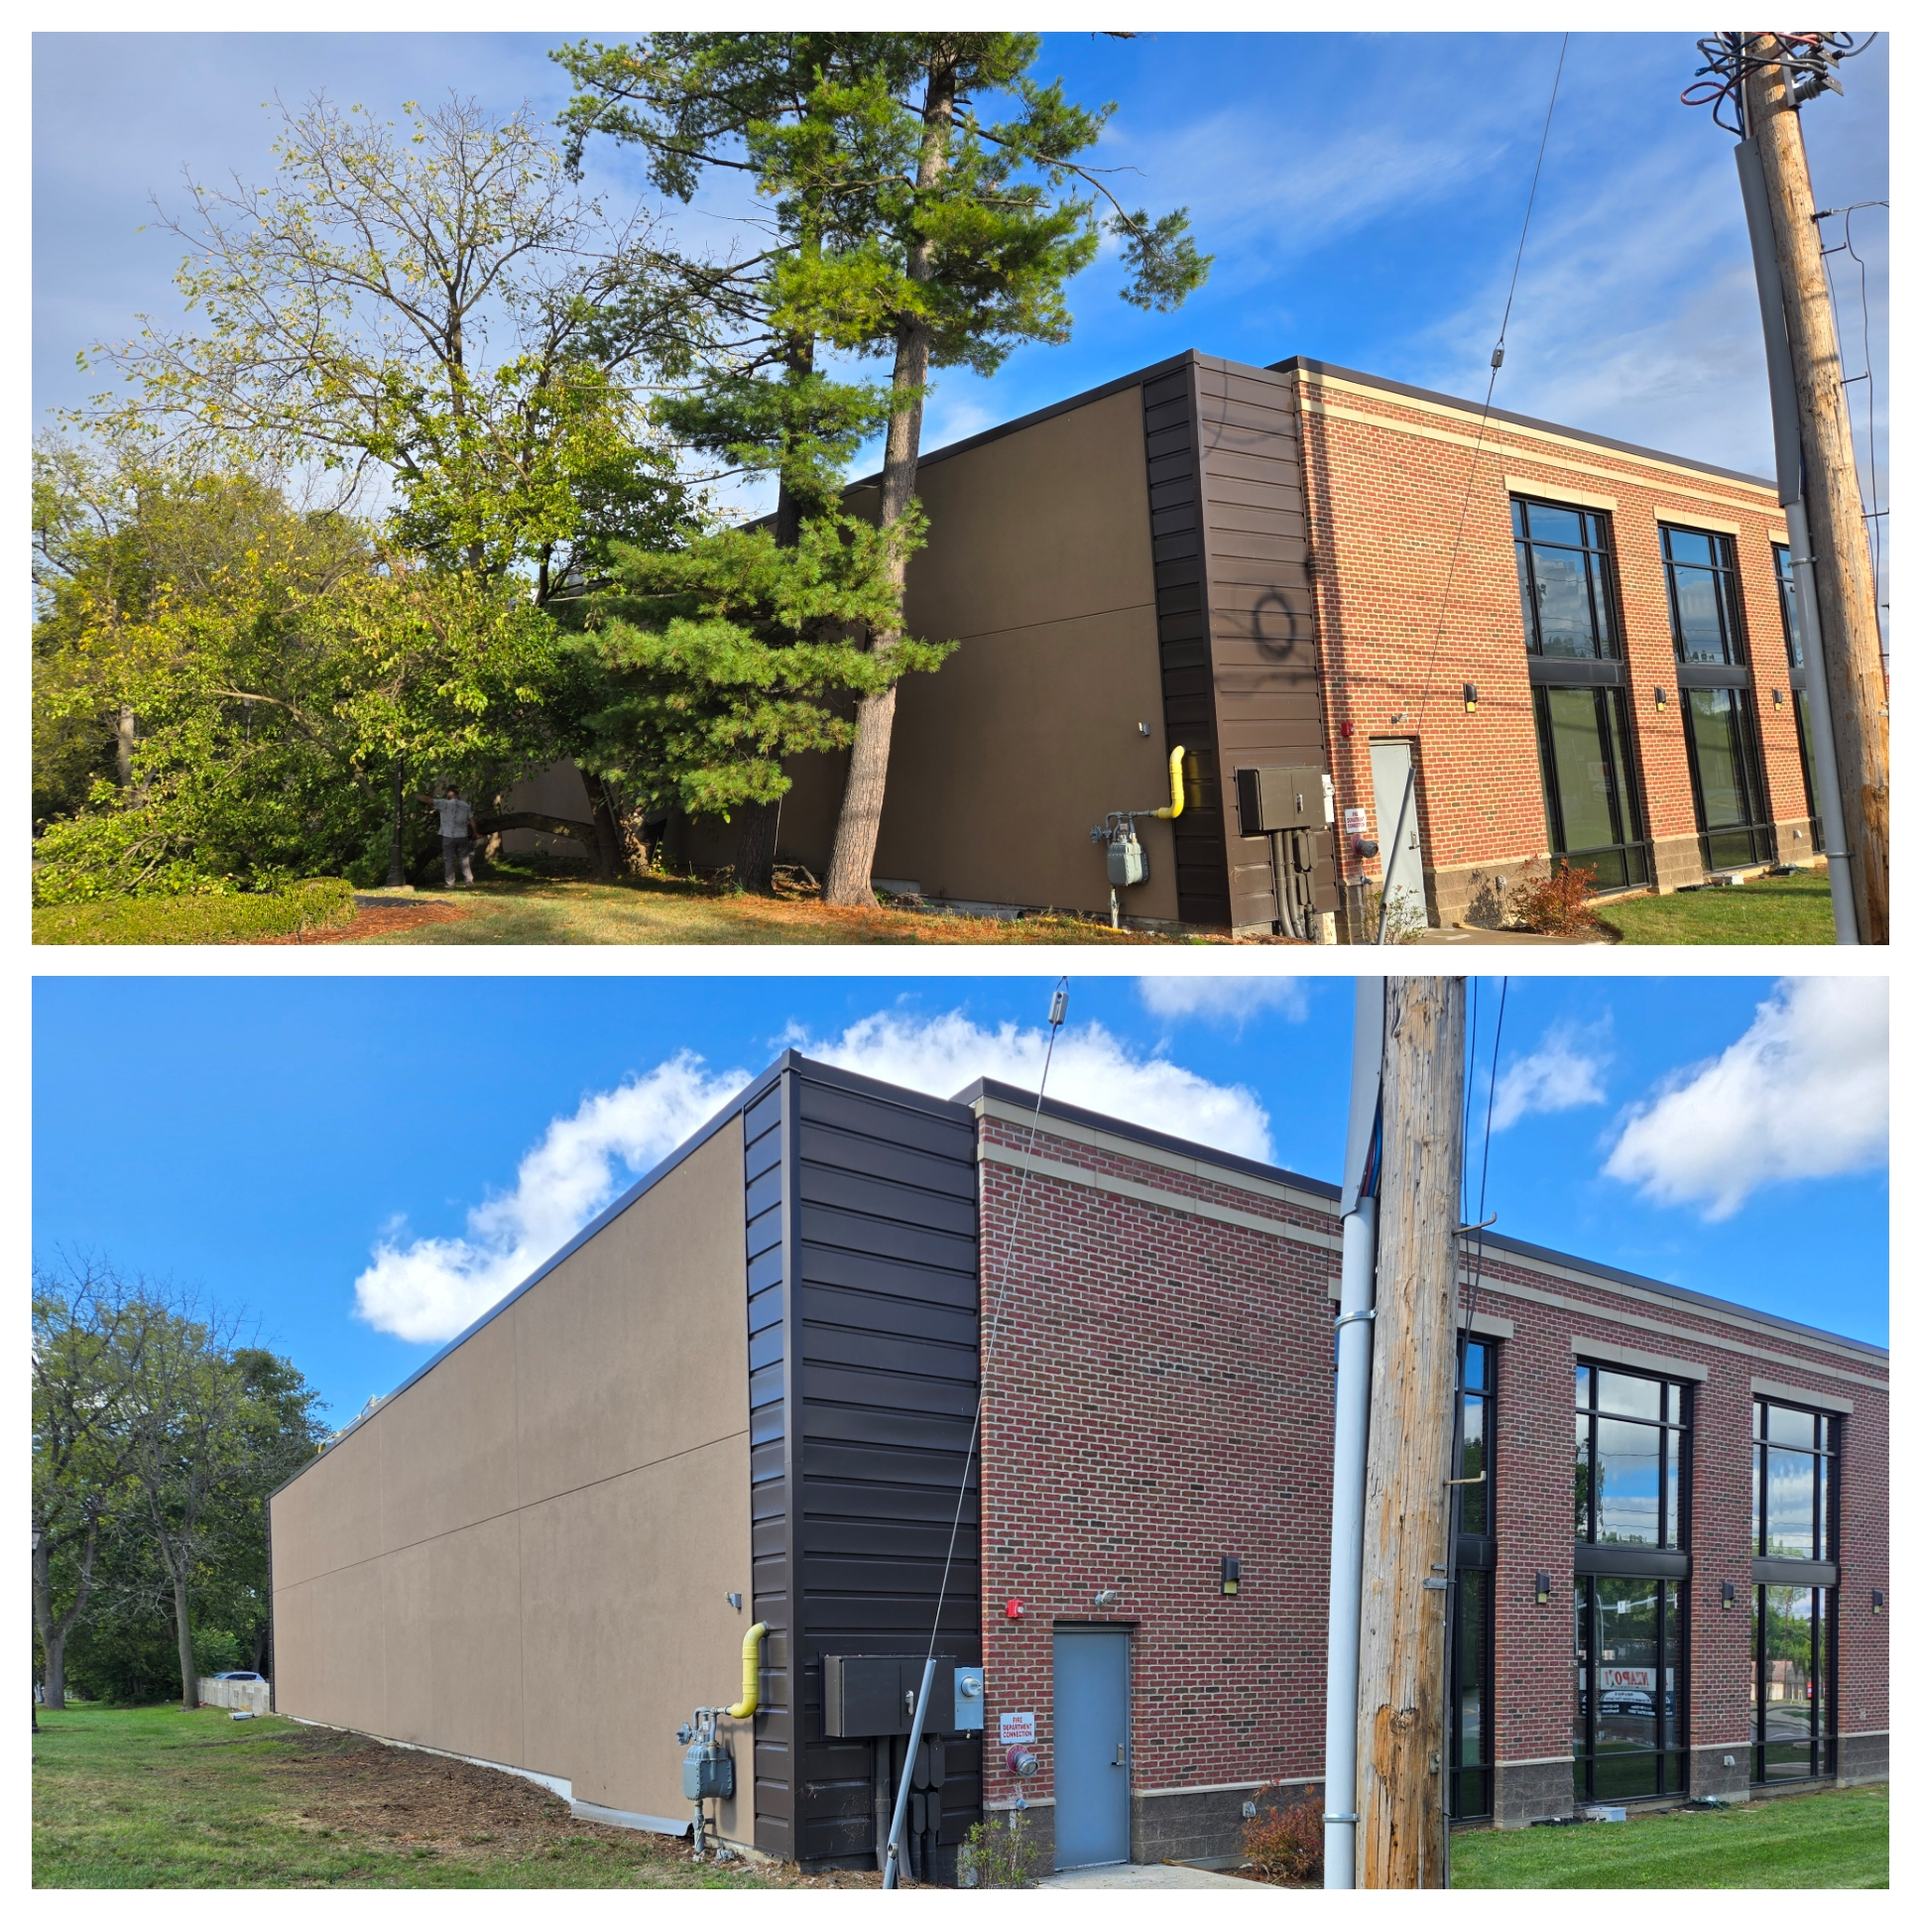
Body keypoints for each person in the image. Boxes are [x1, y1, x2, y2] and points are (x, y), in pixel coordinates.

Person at [422, 784, 479, 887]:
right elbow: (472, 820)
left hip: (448, 836)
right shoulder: (465, 805)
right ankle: (469, 882)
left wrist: (415, 795)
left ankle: (450, 883)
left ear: (449, 793)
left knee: (448, 860)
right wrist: (475, 832)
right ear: (458, 793)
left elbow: (429, 800)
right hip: (462, 836)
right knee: (464, 860)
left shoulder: (444, 804)